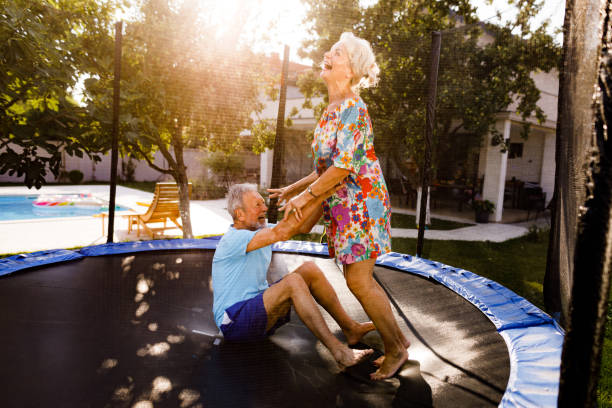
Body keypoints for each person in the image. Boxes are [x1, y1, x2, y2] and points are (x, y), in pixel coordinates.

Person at [268, 32, 410, 380]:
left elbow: (344, 166)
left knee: (359, 281)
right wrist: (294, 187)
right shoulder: (331, 110)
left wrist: (307, 196)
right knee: (356, 279)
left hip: (361, 202)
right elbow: (326, 166)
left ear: (350, 70)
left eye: (338, 52)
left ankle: (396, 350)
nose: (327, 54)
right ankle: (398, 339)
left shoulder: (354, 108)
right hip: (344, 203)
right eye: (330, 50)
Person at [212, 183, 375, 370]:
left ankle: (350, 328)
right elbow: (283, 231)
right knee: (293, 282)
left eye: (263, 203)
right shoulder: (234, 239)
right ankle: (339, 352)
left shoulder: (260, 231)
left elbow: (303, 226)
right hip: (234, 321)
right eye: (257, 205)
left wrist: (324, 195)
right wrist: (318, 190)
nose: (265, 208)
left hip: (257, 315)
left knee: (309, 269)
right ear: (239, 214)